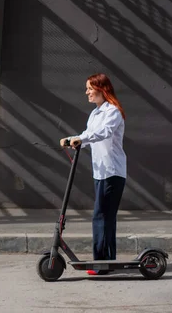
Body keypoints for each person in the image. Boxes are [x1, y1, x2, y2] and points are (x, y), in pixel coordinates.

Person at [60, 73, 127, 276]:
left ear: (101, 89)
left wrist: (79, 138)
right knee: (104, 216)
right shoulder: (96, 113)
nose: (87, 92)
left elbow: (103, 133)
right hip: (100, 171)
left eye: (90, 88)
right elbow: (88, 136)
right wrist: (74, 139)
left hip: (112, 171)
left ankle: (103, 262)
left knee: (102, 216)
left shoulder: (113, 112)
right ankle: (106, 260)